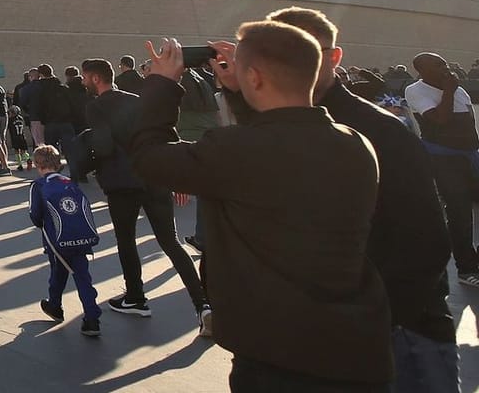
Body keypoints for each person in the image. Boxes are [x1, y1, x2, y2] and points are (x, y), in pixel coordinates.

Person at [132, 26, 391, 391]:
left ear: (252, 76)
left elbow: (148, 156)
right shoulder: (356, 144)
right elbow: (278, 142)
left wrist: (161, 85)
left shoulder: (234, 151)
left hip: (276, 355)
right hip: (355, 346)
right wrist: (240, 93)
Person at [268, 9, 458, 391]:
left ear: (334, 57)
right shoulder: (280, 131)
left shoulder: (380, 130)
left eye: (305, 53)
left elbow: (427, 243)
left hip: (400, 336)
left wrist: (370, 320)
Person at [74, 58, 207, 324]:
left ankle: (135, 297)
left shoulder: (96, 107)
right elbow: (162, 134)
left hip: (121, 182)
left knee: (126, 241)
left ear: (96, 78)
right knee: (171, 242)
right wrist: (174, 176)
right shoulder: (136, 100)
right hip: (153, 176)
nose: (84, 81)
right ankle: (202, 303)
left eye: (85, 77)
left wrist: (85, 157)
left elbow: (103, 146)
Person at [404, 53, 479, 289]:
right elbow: (441, 120)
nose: (445, 68)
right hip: (444, 159)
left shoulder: (457, 89)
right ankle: (466, 268)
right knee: (459, 212)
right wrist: (448, 90)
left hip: (469, 156)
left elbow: (469, 122)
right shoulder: (416, 91)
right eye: (438, 65)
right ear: (421, 70)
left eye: (445, 63)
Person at [26, 144, 101, 338]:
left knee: (59, 272)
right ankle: (84, 315)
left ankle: (64, 309)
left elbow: (35, 216)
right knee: (81, 276)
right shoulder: (70, 182)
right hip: (80, 238)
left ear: (37, 165)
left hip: (56, 240)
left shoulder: (39, 186)